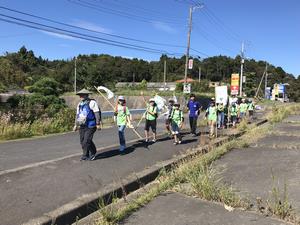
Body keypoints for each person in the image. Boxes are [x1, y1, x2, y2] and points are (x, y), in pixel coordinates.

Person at [73, 88, 101, 161]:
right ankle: (87, 154)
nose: (80, 96)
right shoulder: (80, 104)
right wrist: (76, 125)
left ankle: (88, 154)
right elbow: (77, 115)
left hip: (91, 124)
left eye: (82, 95)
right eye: (80, 95)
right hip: (82, 125)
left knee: (86, 141)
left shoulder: (92, 102)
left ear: (86, 95)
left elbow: (96, 113)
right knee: (82, 141)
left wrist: (98, 123)